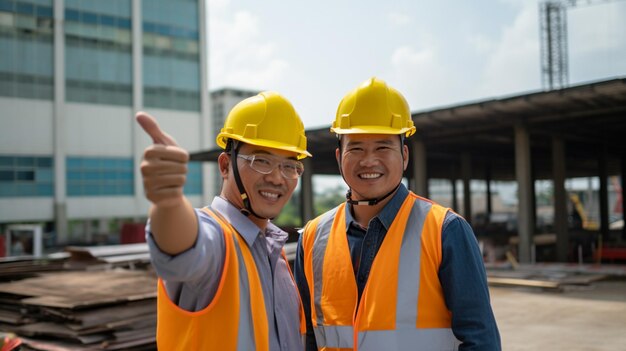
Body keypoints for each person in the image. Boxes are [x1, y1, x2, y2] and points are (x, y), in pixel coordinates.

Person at [294, 78, 501, 350]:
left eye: (382, 146)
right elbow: (307, 337)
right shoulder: (312, 237)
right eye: (356, 147)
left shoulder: (444, 230)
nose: (369, 160)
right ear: (338, 156)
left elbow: (481, 340)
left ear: (404, 156)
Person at [137, 91, 310, 350]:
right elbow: (183, 245)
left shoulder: (276, 254)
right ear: (225, 165)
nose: (277, 178)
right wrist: (170, 202)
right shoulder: (217, 240)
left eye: (289, 166)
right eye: (261, 160)